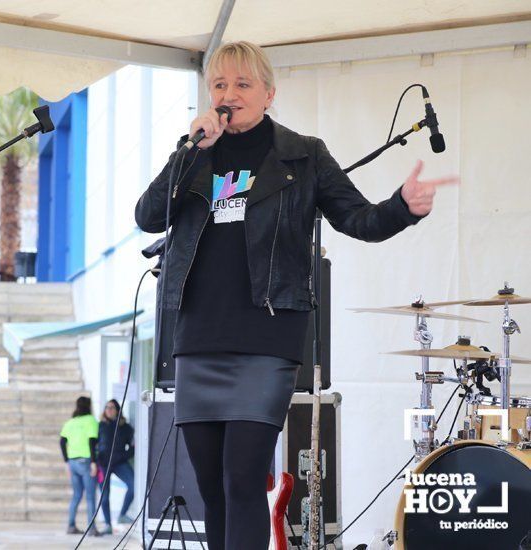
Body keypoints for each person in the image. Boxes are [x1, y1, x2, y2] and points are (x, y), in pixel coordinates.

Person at [134, 41, 456, 549]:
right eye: (219, 84)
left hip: (265, 340)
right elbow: (147, 217)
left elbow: (358, 219)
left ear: (268, 93)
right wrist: (186, 149)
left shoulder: (303, 155)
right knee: (210, 490)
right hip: (197, 339)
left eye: (242, 84)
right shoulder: (193, 156)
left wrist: (402, 207)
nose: (229, 94)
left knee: (242, 480)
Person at [59, 396, 100, 536]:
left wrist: (66, 462)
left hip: (72, 462)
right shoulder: (91, 420)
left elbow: (62, 442)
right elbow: (92, 442)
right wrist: (94, 462)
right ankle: (91, 529)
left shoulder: (70, 422)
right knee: (90, 496)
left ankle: (71, 526)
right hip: (86, 461)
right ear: (89, 406)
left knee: (76, 495)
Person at [96, 399, 135, 534]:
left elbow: (132, 447)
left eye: (112, 407)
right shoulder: (99, 426)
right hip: (103, 465)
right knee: (105, 496)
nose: (109, 409)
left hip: (120, 463)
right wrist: (95, 461)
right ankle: (108, 525)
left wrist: (122, 456)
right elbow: (93, 445)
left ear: (118, 410)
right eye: (107, 407)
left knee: (134, 485)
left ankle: (122, 515)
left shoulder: (126, 427)